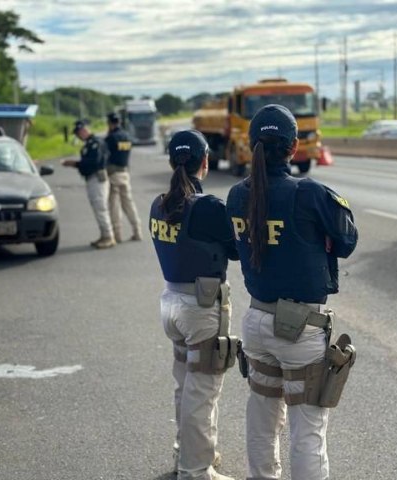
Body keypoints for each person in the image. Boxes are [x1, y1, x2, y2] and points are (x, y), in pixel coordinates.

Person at [226, 105, 358, 480]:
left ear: (252, 146)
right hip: (300, 328)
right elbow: (347, 241)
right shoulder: (310, 193)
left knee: (262, 416)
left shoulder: (236, 195)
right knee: (308, 429)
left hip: (255, 321)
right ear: (294, 146)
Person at [149, 130, 239, 480]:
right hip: (200, 308)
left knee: (184, 385)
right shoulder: (208, 207)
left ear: (172, 162)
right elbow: (234, 249)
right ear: (205, 161)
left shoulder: (159, 203)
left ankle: (185, 456)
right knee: (202, 393)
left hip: (171, 302)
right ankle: (196, 469)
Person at [61, 119, 116, 249]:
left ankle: (108, 236)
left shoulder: (95, 143)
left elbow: (93, 162)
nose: (79, 136)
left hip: (97, 178)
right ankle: (104, 235)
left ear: (84, 130)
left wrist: (75, 164)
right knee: (98, 208)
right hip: (92, 178)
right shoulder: (90, 143)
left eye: (79, 132)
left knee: (100, 207)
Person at [105, 112, 143, 242]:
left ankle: (117, 235)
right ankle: (137, 231)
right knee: (129, 204)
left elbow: (105, 155)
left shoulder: (111, 138)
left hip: (113, 174)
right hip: (125, 173)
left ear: (110, 123)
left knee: (114, 205)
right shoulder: (127, 136)